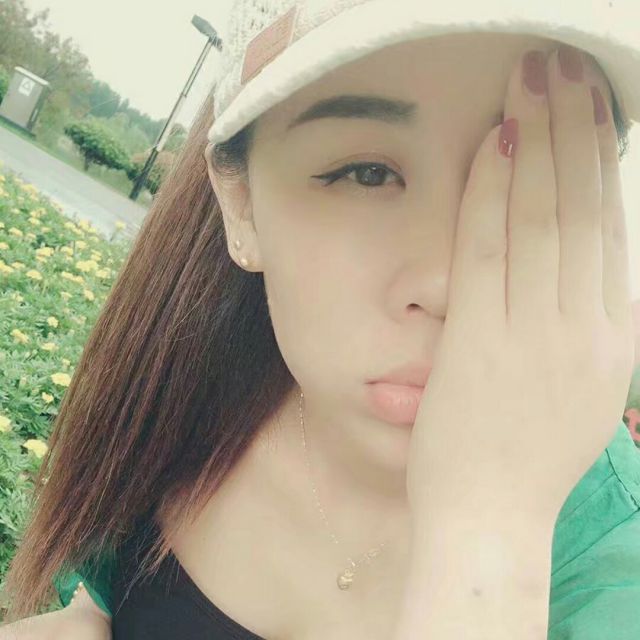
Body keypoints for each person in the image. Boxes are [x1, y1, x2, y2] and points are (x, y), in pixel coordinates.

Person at [2, 1, 640, 638]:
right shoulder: (185, 379)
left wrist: (493, 536)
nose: (444, 285)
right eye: (368, 174)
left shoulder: (611, 560)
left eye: (525, 180)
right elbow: (98, 600)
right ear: (241, 203)